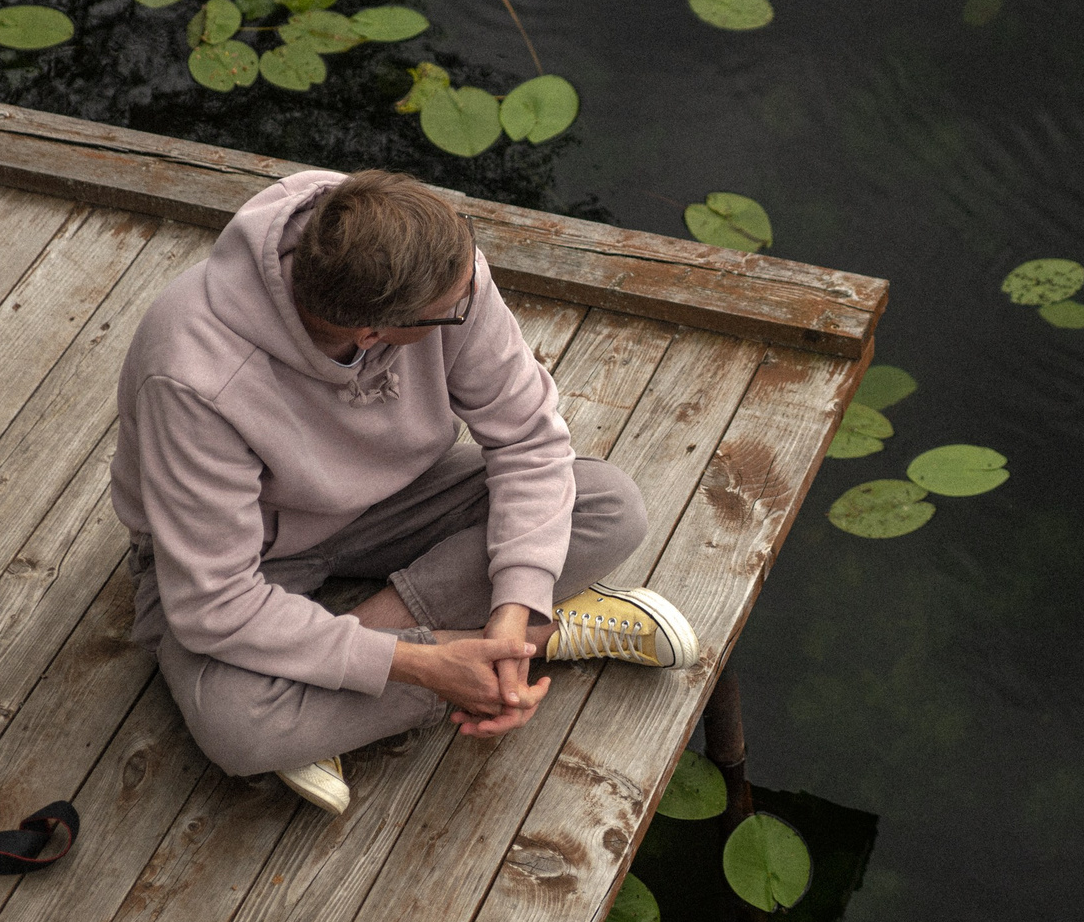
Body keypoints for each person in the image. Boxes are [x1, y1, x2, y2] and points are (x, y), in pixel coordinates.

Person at [110, 167, 695, 814]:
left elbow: (529, 440)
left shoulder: (437, 262)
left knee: (608, 506)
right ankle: (536, 641)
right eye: (452, 310)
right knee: (238, 728)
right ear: (372, 333)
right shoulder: (191, 376)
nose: (473, 293)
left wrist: (516, 604)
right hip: (246, 553)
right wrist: (419, 661)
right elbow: (215, 602)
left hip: (393, 502)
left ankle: (494, 643)